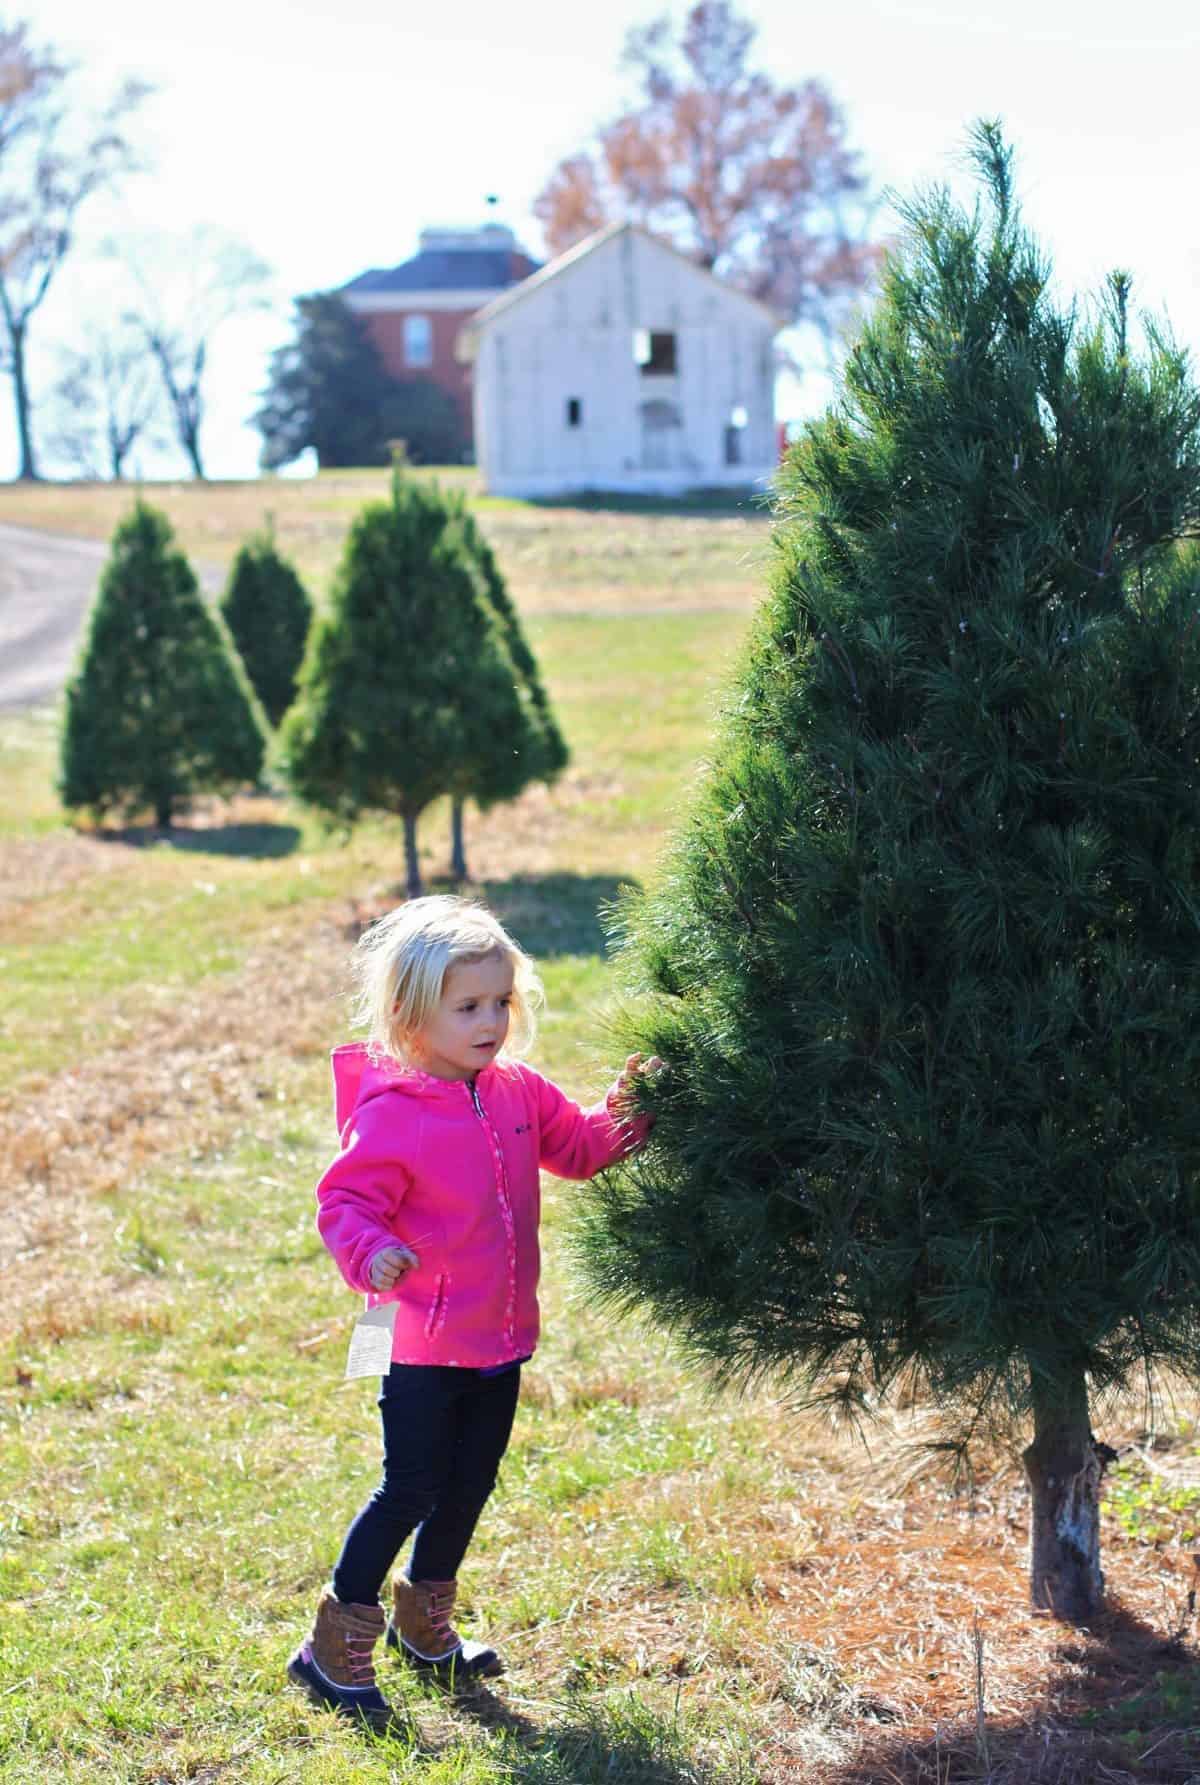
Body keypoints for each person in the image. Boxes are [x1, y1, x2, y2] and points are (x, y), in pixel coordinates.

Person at [287, 894, 659, 1724]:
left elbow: (581, 1147)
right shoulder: (395, 1112)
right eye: (468, 1006)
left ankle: (424, 1625)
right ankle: (333, 1637)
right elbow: (344, 1202)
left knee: (468, 1485)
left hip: (498, 1338)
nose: (490, 1019)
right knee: (410, 1485)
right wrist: (370, 1251)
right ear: (411, 1015)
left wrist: (631, 1106)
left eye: (501, 1001)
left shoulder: (518, 1091)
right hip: (418, 1339)